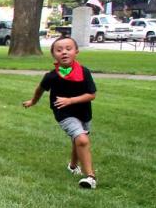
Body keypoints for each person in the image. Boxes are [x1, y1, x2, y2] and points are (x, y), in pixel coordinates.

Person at [23, 36, 99, 189]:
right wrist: (33, 101)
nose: (64, 52)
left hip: (83, 112)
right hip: (63, 113)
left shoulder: (84, 72)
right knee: (82, 140)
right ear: (53, 55)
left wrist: (70, 100)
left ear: (76, 51)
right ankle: (90, 177)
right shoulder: (51, 76)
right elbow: (40, 89)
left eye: (68, 49)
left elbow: (91, 95)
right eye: (59, 50)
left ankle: (72, 166)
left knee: (77, 139)